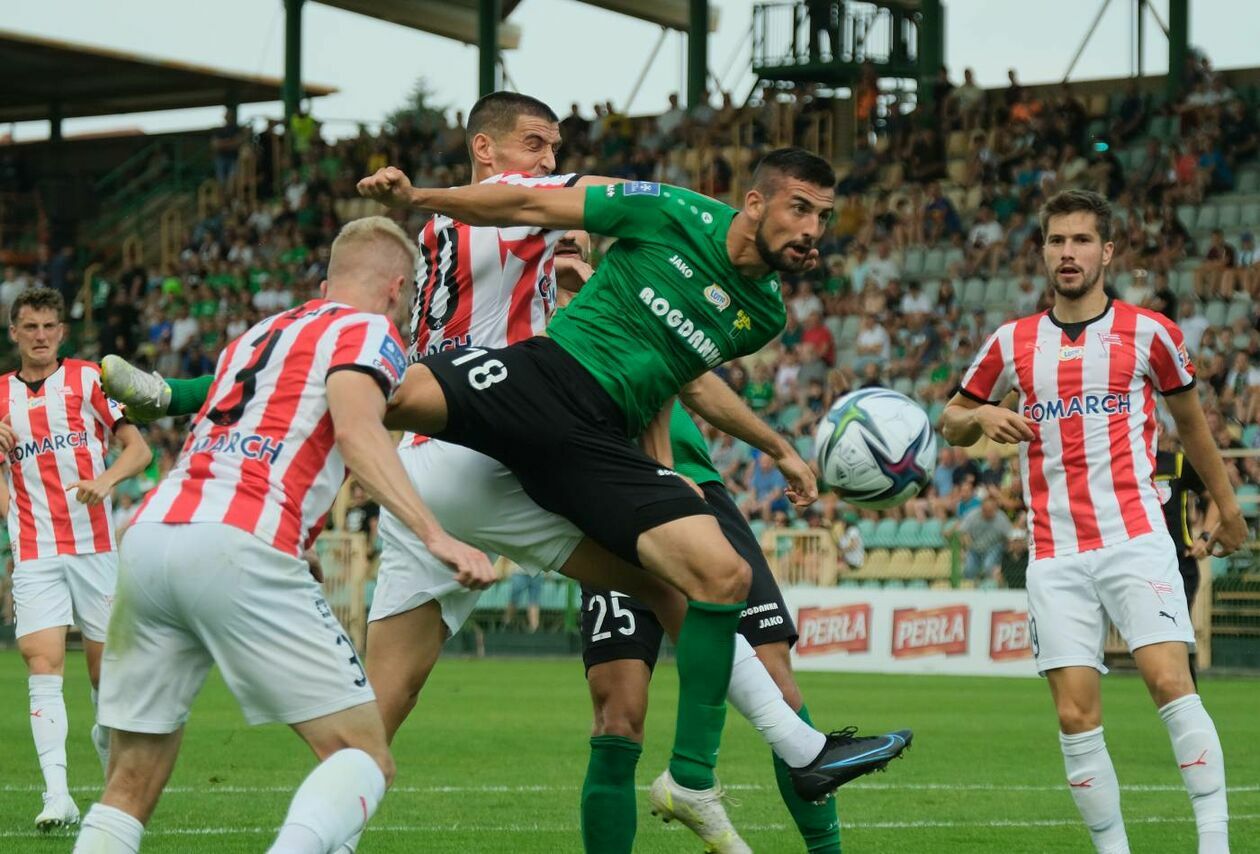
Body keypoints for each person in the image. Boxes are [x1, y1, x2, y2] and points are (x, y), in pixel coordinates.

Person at [104, 95, 896, 853]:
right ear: (486, 149)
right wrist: (432, 198)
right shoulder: (512, 215)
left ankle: (179, 395)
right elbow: (528, 207)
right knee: (680, 582)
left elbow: (666, 368)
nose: (551, 161)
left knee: (378, 714)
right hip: (498, 442)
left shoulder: (744, 306)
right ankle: (769, 755)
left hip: (471, 433)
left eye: (554, 150)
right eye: (536, 145)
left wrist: (668, 467)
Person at [71, 217, 496, 854]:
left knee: (128, 783)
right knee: (363, 758)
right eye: (407, 304)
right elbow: (358, 432)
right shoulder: (370, 331)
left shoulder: (256, 335)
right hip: (240, 543)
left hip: (153, 537)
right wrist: (436, 534)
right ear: (397, 288)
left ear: (329, 279)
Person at [942, 189, 1246, 854]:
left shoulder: (1150, 333)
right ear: (1044, 253)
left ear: (1107, 252)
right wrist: (980, 416)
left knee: (1171, 681)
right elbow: (950, 419)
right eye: (1057, 241)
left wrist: (1227, 507)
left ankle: (1215, 844)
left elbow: (1192, 426)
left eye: (1081, 241)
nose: (1068, 253)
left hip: (1136, 537)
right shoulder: (1010, 343)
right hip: (1053, 552)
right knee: (1076, 715)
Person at [0, 288, 152, 831]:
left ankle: (105, 751)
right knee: (42, 664)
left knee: (103, 673)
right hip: (36, 551)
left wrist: (105, 480)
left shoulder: (89, 380)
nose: (40, 335)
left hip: (93, 547)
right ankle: (58, 794)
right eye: (29, 326)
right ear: (13, 332)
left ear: (62, 332)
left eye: (49, 326)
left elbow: (139, 449)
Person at [1153, 442, 1220, 686]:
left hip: (1179, 563)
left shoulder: (1177, 463)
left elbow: (1214, 496)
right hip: (1139, 564)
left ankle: (1187, 699)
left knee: (1175, 636)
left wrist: (1205, 536)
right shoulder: (1123, 464)